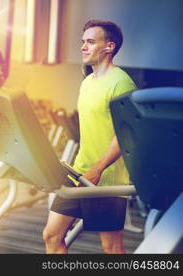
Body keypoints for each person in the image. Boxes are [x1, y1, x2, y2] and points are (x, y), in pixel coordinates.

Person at [43, 20, 137, 254]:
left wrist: (98, 168)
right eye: (83, 42)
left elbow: (125, 133)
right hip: (79, 172)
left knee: (111, 246)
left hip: (107, 179)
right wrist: (86, 169)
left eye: (91, 42)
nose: (83, 47)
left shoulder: (121, 83)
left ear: (109, 47)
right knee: (52, 235)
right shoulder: (87, 82)